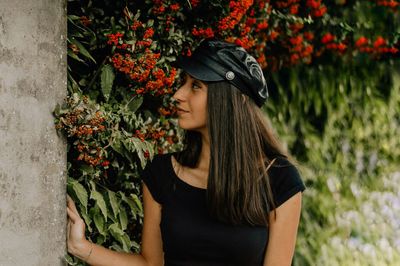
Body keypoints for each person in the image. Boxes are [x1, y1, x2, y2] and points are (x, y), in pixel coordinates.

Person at [67, 39, 306, 266]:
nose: (178, 95)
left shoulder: (279, 180)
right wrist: (81, 247)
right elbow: (151, 263)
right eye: (184, 83)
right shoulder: (162, 174)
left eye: (196, 86)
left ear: (232, 100)